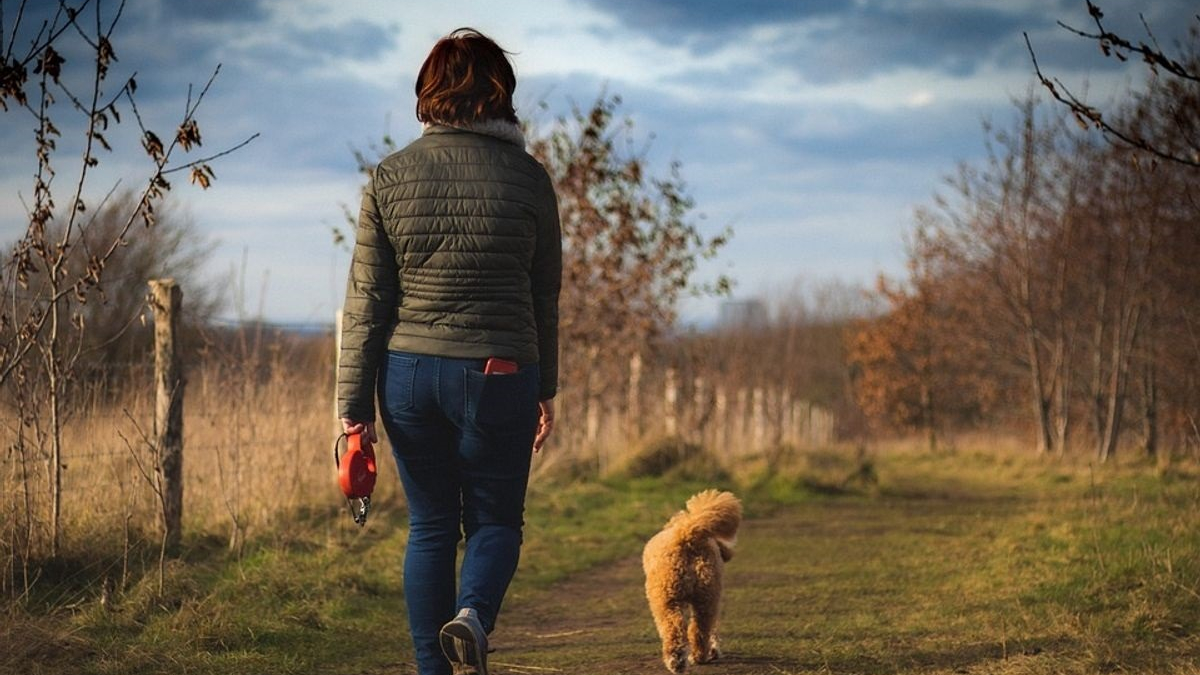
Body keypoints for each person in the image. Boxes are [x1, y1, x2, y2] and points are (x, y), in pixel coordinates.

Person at [337, 28, 561, 675]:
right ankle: (472, 617)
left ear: (429, 93)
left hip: (408, 374)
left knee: (431, 526)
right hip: (500, 371)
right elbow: (543, 291)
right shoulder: (528, 178)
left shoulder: (391, 175)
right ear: (501, 94)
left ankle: (433, 669)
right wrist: (546, 385)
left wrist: (354, 408)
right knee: (494, 522)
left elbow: (367, 300)